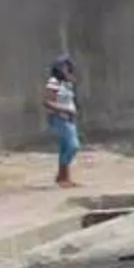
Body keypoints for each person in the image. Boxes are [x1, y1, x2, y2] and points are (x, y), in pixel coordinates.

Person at [43, 55, 81, 188]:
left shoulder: (67, 83)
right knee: (73, 146)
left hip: (69, 119)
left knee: (66, 147)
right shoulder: (53, 82)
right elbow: (47, 102)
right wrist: (65, 110)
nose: (67, 69)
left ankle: (64, 177)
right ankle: (62, 176)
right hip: (60, 118)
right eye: (64, 67)